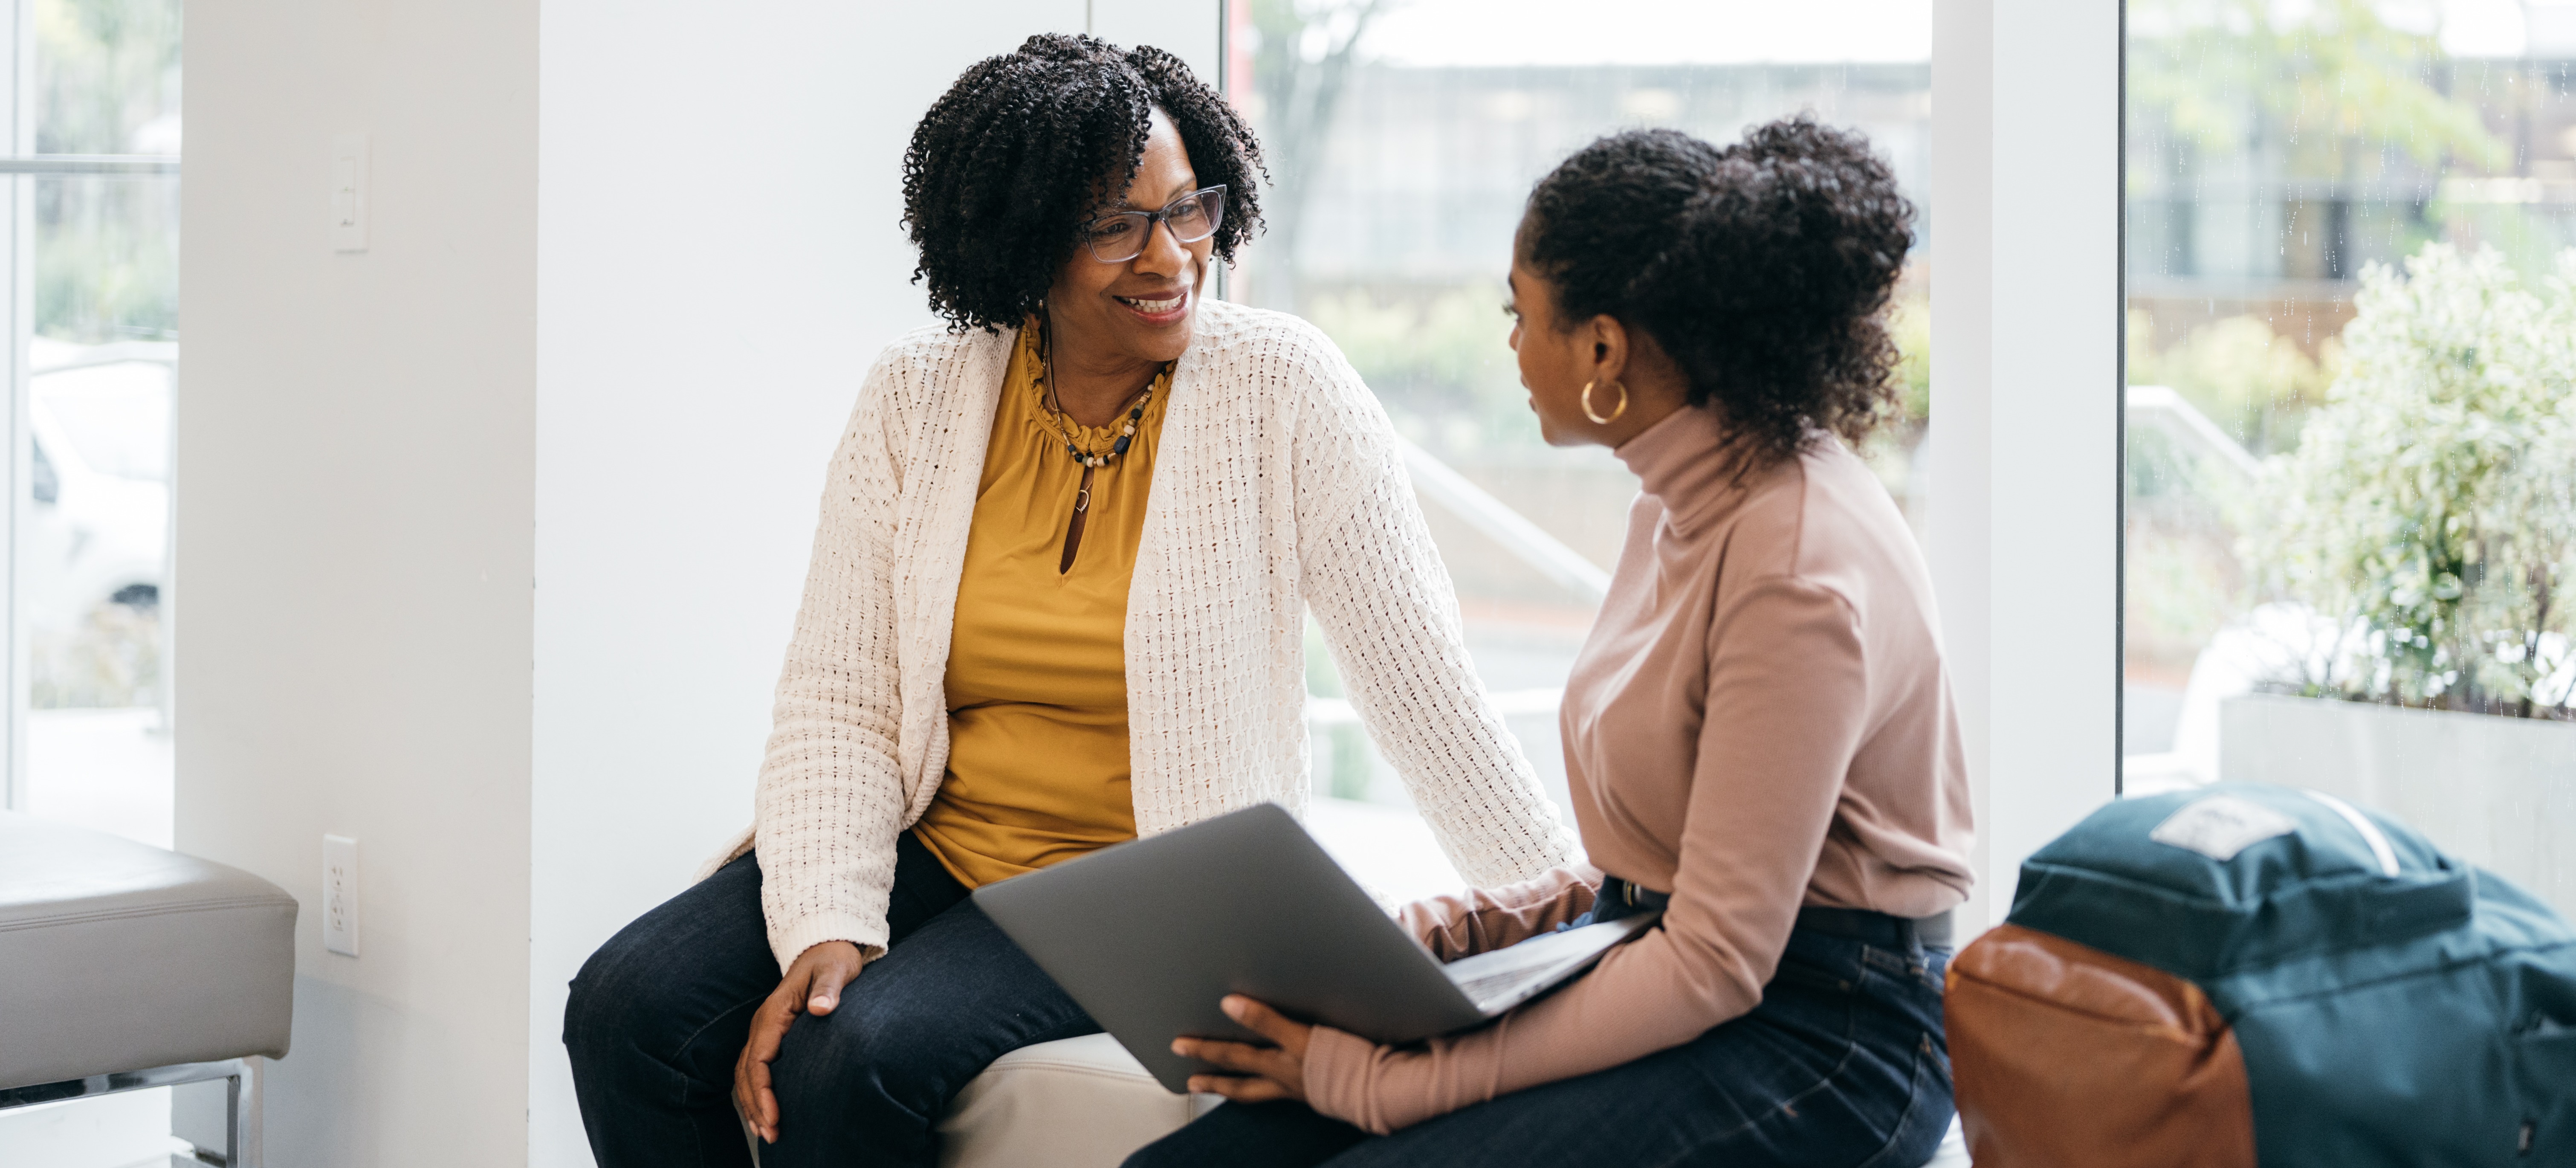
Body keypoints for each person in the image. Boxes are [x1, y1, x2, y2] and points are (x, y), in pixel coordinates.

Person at [560, 34, 1577, 1168]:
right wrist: (830, 921)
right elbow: (840, 692)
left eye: (1191, 209)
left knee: (852, 1055)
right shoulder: (916, 399)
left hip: (1134, 882)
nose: (1171, 256)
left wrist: (1575, 919)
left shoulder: (1282, 390)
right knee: (624, 1006)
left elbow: (1424, 691)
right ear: (1024, 237)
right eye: (1116, 225)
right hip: (934, 841)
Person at [1131, 118, 1975, 1168]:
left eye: (1519, 313)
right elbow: (1662, 871)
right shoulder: (1677, 508)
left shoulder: (1795, 565)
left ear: (1605, 349)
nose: (1514, 345)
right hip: (1668, 953)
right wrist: (1442, 934)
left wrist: (1386, 1084)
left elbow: (1716, 958)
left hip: (1833, 1037)